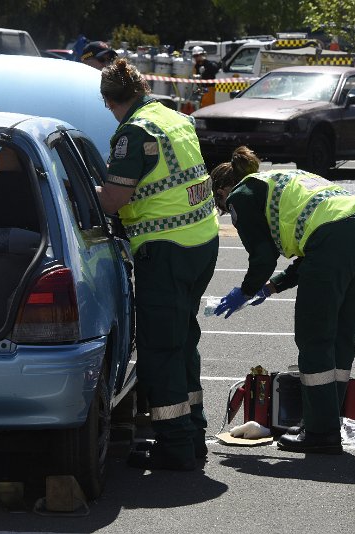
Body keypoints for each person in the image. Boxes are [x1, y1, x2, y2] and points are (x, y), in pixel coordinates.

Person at [211, 146, 355, 455]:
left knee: (314, 337)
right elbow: (314, 245)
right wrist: (272, 287)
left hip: (332, 237)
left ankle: (320, 431)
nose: (227, 212)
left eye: (221, 206)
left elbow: (263, 257)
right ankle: (330, 419)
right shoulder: (282, 178)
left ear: (223, 190)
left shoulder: (240, 195)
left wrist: (245, 291)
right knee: (343, 335)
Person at [95, 58, 219, 471]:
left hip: (166, 250)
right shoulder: (171, 117)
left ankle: (177, 447)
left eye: (108, 106)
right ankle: (194, 434)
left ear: (110, 99)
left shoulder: (135, 131)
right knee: (182, 340)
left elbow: (113, 200)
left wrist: (75, 192)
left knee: (160, 349)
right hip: (201, 242)